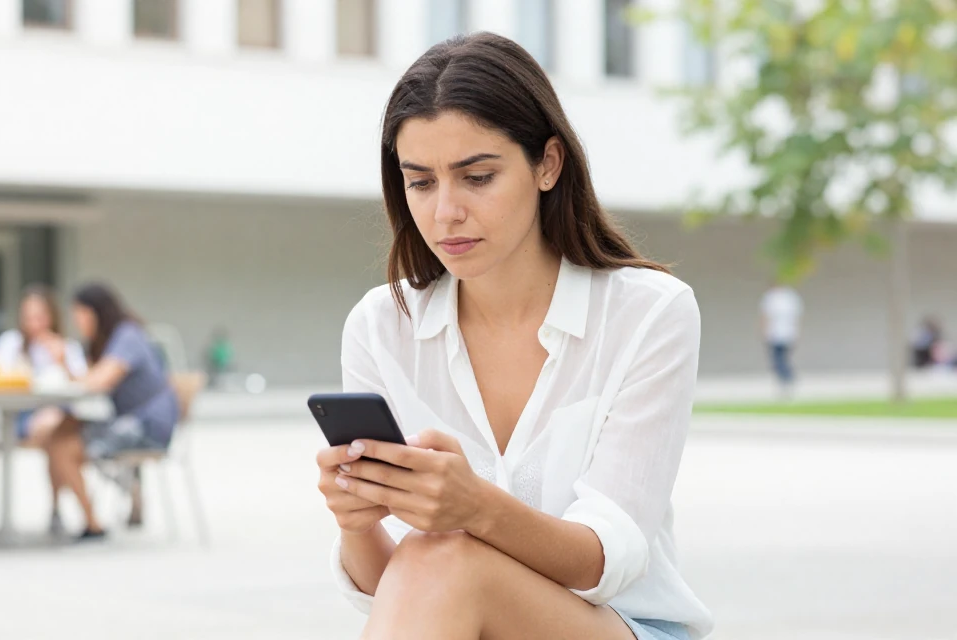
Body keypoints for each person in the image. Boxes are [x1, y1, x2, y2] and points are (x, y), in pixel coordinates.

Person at [314, 33, 712, 640]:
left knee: (446, 554)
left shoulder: (649, 314)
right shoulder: (379, 326)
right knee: (435, 558)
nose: (445, 212)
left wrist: (474, 507)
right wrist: (356, 522)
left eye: (476, 177)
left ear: (547, 164)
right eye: (420, 183)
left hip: (626, 625)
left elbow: (606, 561)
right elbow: (392, 592)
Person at [42, 283, 179, 540]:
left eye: (79, 314)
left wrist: (68, 367)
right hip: (130, 422)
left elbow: (98, 382)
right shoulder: (110, 340)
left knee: (62, 446)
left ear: (95, 312)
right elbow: (89, 382)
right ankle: (120, 491)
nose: (77, 321)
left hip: (146, 427)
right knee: (62, 429)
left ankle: (93, 524)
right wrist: (63, 364)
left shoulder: (127, 335)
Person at [0, 285, 88, 443]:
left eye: (40, 317)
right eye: (28, 317)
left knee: (55, 421)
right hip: (20, 411)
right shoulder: (10, 342)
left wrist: (63, 362)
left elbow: (83, 387)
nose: (34, 324)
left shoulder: (67, 346)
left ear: (52, 316)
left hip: (58, 409)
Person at [761, 280, 803, 391]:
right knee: (783, 357)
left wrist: (764, 331)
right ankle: (787, 376)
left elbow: (766, 316)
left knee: (778, 358)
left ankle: (786, 377)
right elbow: (797, 317)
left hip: (775, 333)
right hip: (789, 333)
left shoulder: (771, 298)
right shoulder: (790, 297)